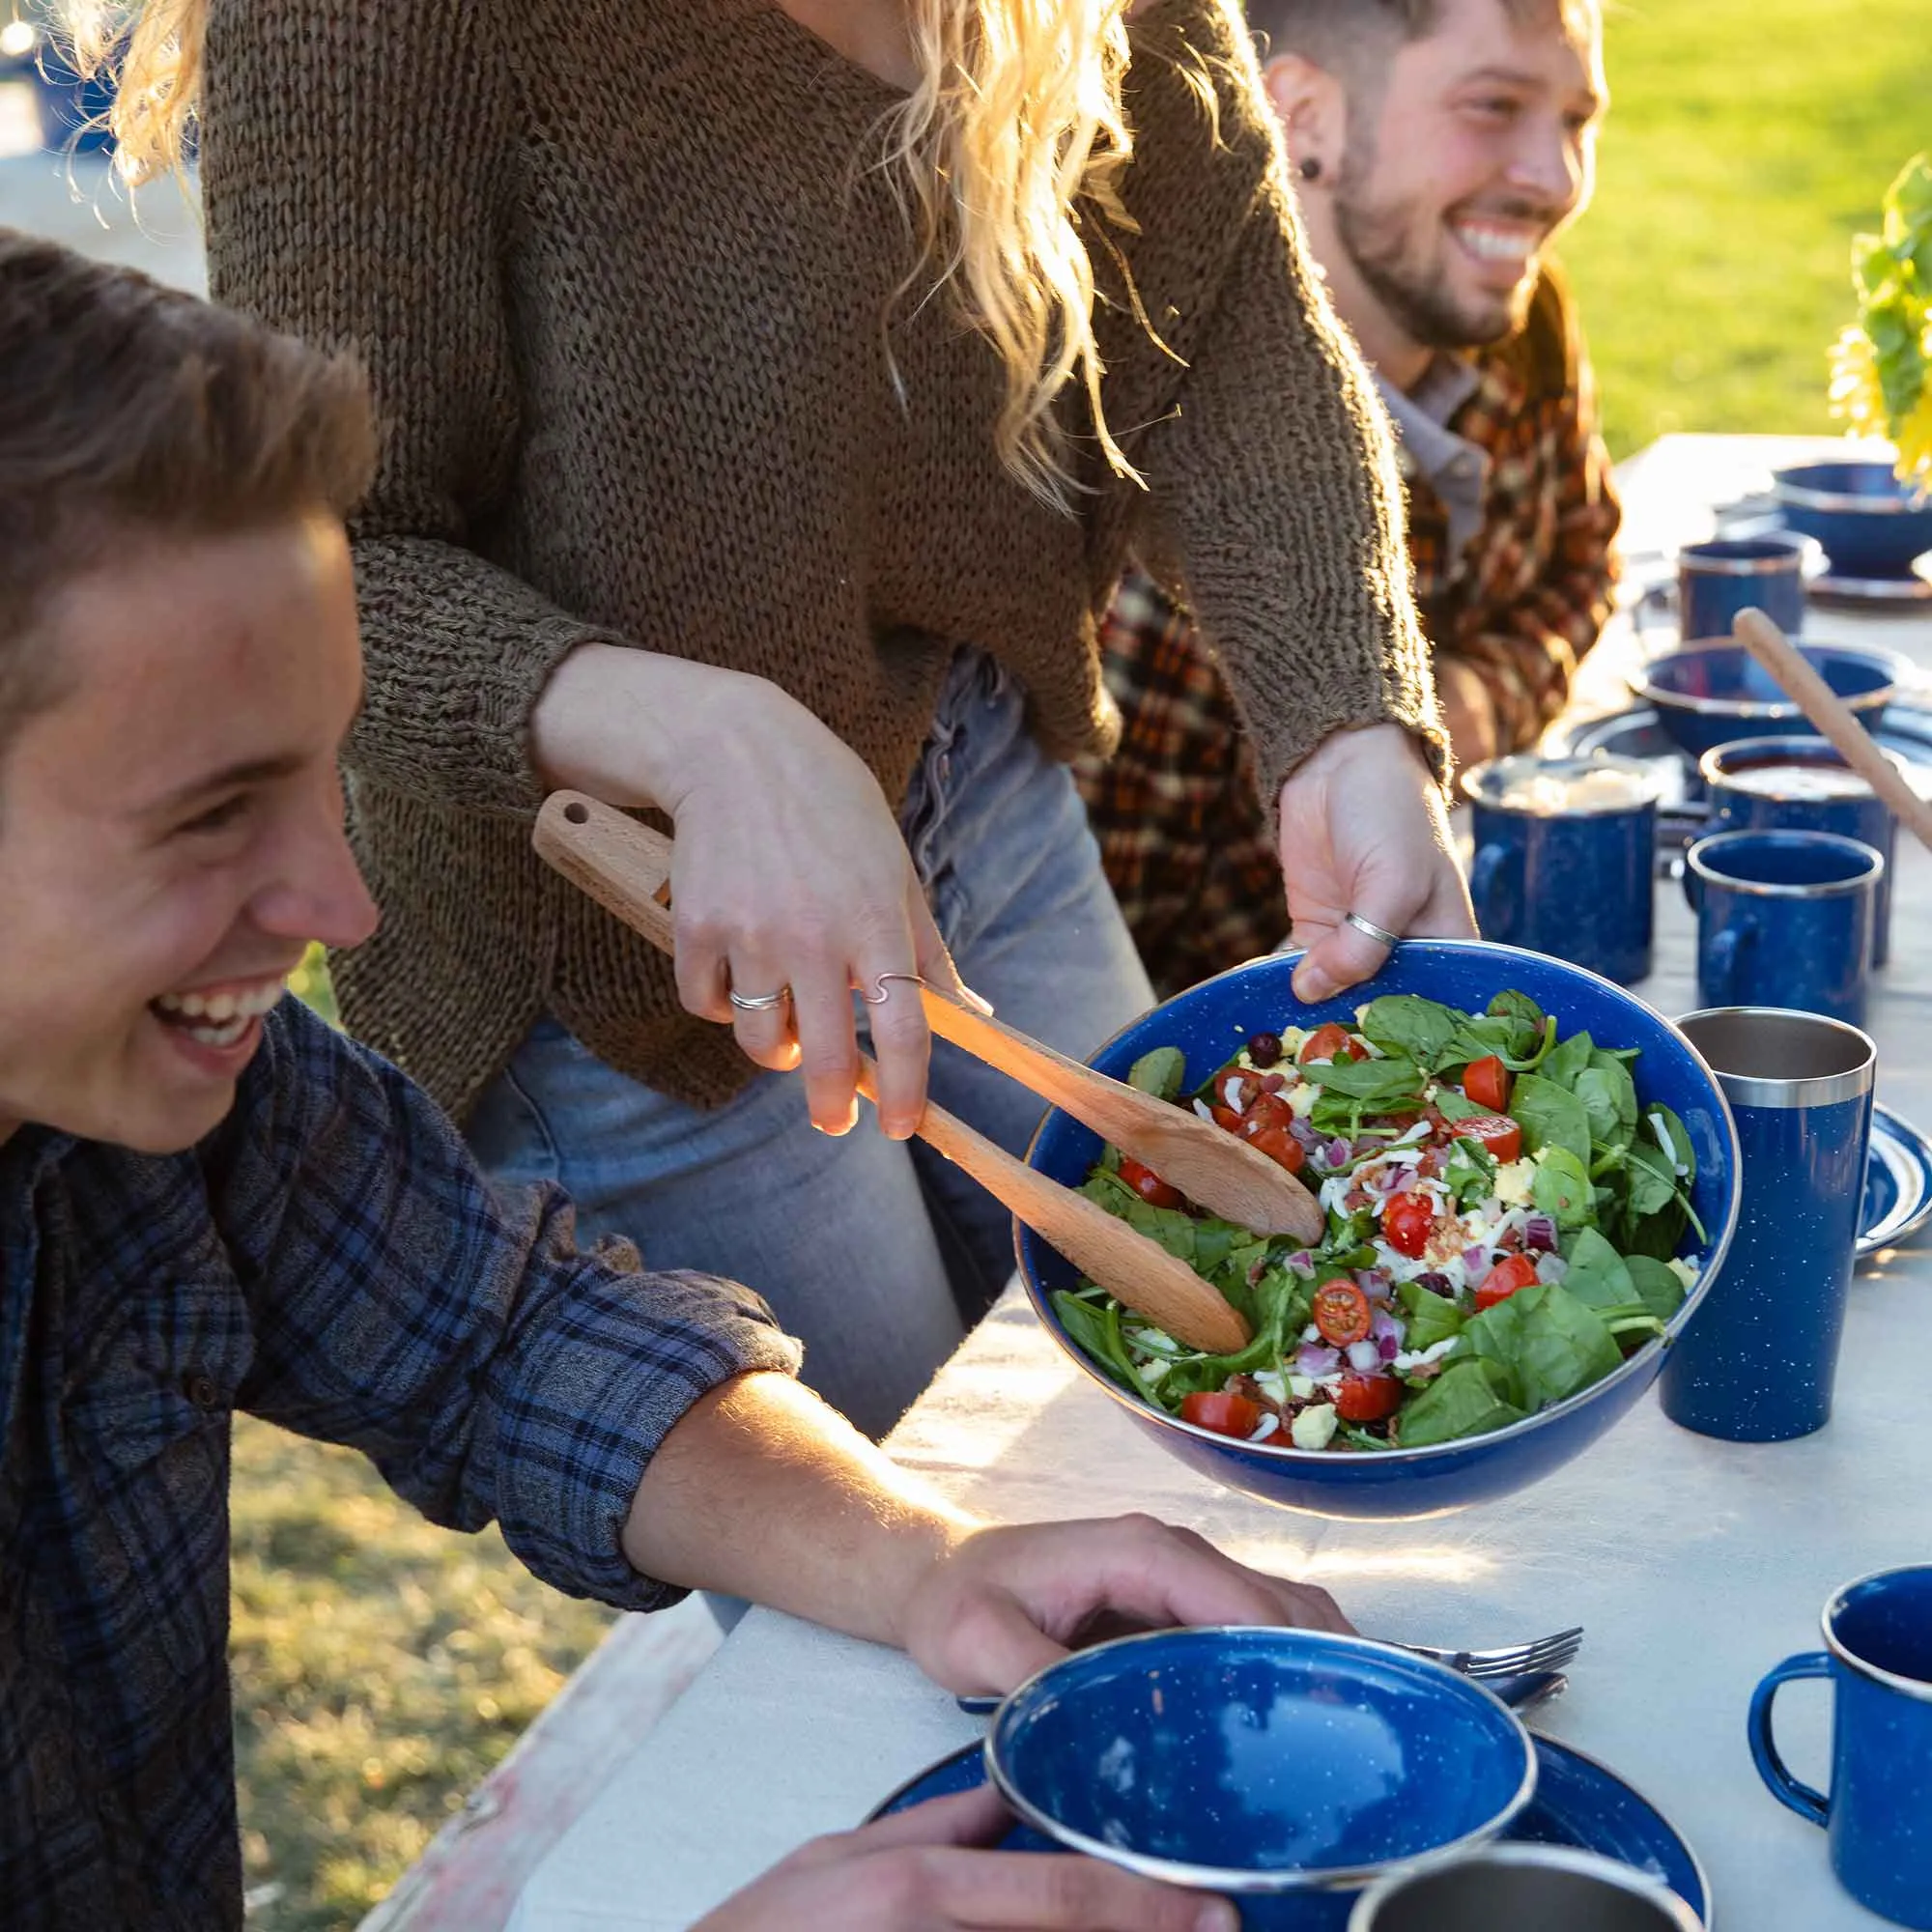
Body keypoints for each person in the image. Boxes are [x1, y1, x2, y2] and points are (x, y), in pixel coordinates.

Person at [0, 229, 1350, 1931]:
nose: (338, 909)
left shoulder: (183, 1107)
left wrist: (932, 1564)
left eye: (318, 779)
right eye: (211, 815)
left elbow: (504, 1338)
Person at [67, 0, 1475, 1438]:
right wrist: (712, 736)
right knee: (925, 1562)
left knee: (1202, 1403)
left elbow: (1226, 308)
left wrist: (1347, 712)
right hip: (630, 941)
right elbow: (325, 558)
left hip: (977, 786)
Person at [1081, 0, 1621, 997]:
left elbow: (1580, 569)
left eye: (1575, 120)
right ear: (1301, 116)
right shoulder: (1145, 432)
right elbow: (1128, 904)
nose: (1556, 178)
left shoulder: (1516, 318)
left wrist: (1448, 710)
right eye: (1493, 106)